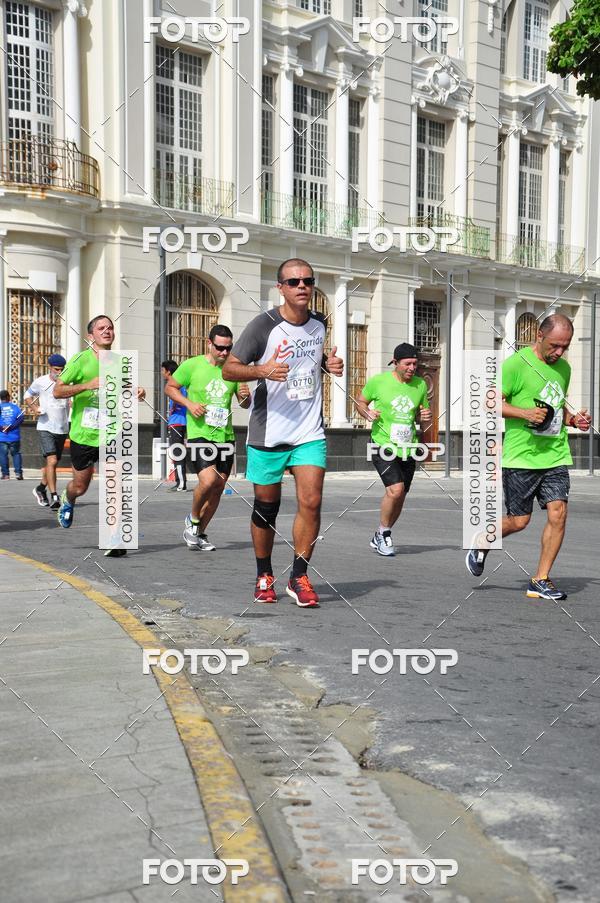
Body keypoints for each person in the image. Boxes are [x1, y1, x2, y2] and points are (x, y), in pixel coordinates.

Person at [222, 259, 344, 608]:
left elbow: (313, 359)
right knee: (266, 507)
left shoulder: (320, 322)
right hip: (268, 431)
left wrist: (328, 364)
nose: (302, 286)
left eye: (307, 280)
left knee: (312, 501)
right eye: (293, 282)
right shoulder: (263, 326)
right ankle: (264, 575)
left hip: (308, 430)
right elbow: (230, 370)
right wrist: (261, 370)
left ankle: (300, 576)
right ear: (281, 288)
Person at [465, 313, 591, 600]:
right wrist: (524, 413)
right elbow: (487, 401)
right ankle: (483, 540)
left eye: (565, 346)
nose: (559, 352)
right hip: (521, 456)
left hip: (555, 454)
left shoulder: (564, 369)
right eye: (555, 345)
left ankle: (540, 579)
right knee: (519, 521)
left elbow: (556, 408)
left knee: (559, 512)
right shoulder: (516, 365)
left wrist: (574, 421)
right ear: (539, 336)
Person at [53, 315, 146, 556]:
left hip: (112, 432)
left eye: (110, 327)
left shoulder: (119, 362)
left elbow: (124, 389)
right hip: (84, 435)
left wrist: (136, 391)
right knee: (81, 485)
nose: (107, 331)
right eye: (101, 328)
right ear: (91, 335)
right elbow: (57, 390)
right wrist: (87, 385)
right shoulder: (80, 360)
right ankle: (68, 496)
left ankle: (114, 538)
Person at [165, 325, 251, 551]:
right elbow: (170, 388)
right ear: (209, 343)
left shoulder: (234, 368)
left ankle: (199, 533)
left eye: (228, 348)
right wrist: (189, 404)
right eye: (220, 348)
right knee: (208, 480)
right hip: (200, 434)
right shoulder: (192, 365)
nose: (224, 353)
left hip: (225, 436)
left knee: (218, 488)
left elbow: (245, 403)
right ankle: (193, 519)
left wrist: (245, 397)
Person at [354, 343, 431, 556]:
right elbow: (360, 402)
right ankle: (385, 534)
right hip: (382, 443)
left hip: (409, 446)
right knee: (395, 489)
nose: (412, 368)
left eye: (415, 363)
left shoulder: (420, 385)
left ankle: (380, 533)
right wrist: (366, 413)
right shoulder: (379, 382)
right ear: (395, 363)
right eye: (408, 363)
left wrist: (424, 418)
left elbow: (420, 414)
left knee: (401, 495)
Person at [24, 354, 70, 509]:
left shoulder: (67, 381)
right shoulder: (41, 382)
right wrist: (35, 408)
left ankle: (40, 489)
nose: (59, 372)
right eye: (57, 369)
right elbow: (27, 396)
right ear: (49, 367)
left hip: (62, 428)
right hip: (45, 427)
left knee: (52, 464)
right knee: (52, 461)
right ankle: (55, 496)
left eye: (62, 370)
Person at [161, 360, 188, 491]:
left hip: (178, 422)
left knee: (177, 452)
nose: (162, 373)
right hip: (176, 422)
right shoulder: (175, 385)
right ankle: (180, 482)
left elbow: (184, 401)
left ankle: (181, 483)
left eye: (163, 370)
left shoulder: (177, 385)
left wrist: (175, 407)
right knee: (176, 452)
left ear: (168, 371)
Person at [0, 390, 25, 480]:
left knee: (3, 455)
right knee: (16, 454)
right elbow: (21, 418)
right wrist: (11, 427)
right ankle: (18, 474)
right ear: (8, 397)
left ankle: (5, 475)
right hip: (14, 436)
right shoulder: (15, 407)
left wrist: (2, 428)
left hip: (2, 437)